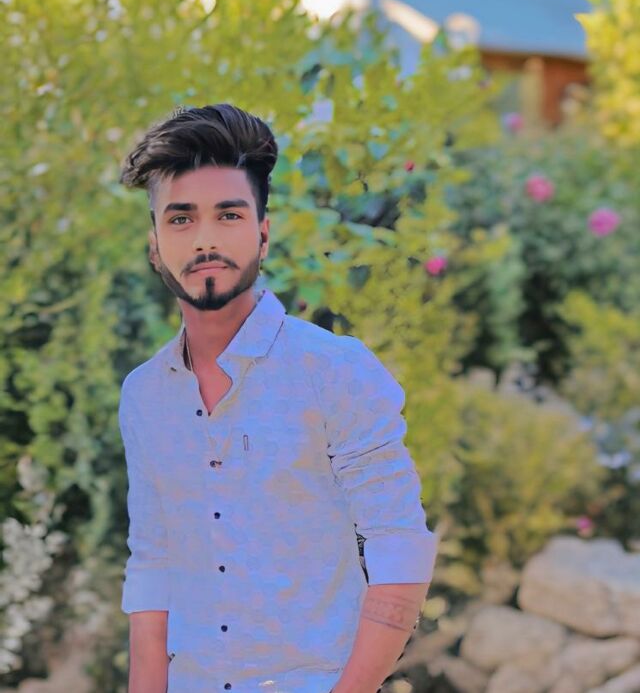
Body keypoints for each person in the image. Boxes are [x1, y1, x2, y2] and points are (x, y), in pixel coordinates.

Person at [117, 103, 439, 693]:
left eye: (229, 215)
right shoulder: (144, 395)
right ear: (155, 244)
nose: (205, 239)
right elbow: (153, 568)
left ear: (263, 234)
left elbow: (399, 549)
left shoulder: (333, 371)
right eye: (181, 219)